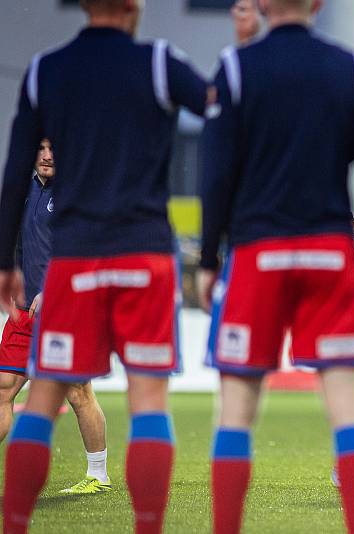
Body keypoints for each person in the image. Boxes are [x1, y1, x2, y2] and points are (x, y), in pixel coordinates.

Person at [0, 1, 210, 532]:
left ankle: (16, 522)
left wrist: (6, 262)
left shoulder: (48, 70)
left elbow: (11, 171)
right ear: (135, 7)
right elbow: (224, 112)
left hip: (74, 261)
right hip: (143, 251)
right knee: (147, 400)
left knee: (47, 394)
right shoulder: (160, 61)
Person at [196, 0, 354, 532]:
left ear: (262, 5)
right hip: (328, 255)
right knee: (347, 414)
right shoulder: (352, 66)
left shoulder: (237, 67)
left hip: (257, 254)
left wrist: (209, 258)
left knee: (236, 413)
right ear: (319, 4)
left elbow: (215, 173)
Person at [0, 139, 111, 495]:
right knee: (3, 389)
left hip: (67, 309)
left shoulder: (77, 192)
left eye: (54, 147)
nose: (47, 155)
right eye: (41, 148)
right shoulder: (23, 190)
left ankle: (98, 474)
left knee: (78, 392)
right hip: (23, 313)